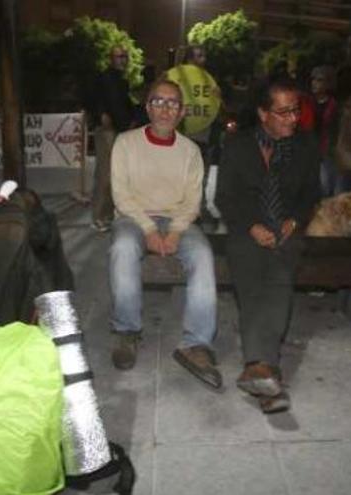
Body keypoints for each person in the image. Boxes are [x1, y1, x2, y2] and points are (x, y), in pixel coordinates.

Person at [107, 79, 221, 388]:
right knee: (123, 248)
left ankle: (196, 343)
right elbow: (121, 194)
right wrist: (146, 228)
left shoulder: (190, 152)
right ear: (147, 107)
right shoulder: (126, 143)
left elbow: (193, 201)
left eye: (172, 103)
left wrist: (174, 231)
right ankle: (127, 331)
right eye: (158, 101)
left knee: (202, 253)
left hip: (178, 220)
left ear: (182, 111)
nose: (165, 108)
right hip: (133, 217)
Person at [216, 79, 321, 413]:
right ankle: (268, 370)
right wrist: (251, 226)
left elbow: (310, 196)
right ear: (263, 113)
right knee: (251, 282)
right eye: (284, 111)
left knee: (278, 277)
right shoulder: (237, 145)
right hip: (246, 231)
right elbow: (225, 198)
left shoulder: (305, 146)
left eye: (296, 110)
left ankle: (260, 368)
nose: (293, 118)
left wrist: (293, 221)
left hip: (286, 231)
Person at [92, 46, 136, 232]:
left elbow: (124, 105)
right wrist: (101, 114)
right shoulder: (104, 77)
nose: (123, 60)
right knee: (105, 175)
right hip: (107, 131)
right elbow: (94, 98)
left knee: (117, 175)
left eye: (125, 56)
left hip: (120, 131)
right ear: (111, 58)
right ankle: (99, 217)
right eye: (119, 56)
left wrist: (131, 121)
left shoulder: (122, 80)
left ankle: (109, 215)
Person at [300, 66, 341, 197]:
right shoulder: (306, 102)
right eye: (314, 80)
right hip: (307, 149)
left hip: (326, 152)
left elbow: (335, 131)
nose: (315, 83)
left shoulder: (334, 106)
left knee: (325, 187)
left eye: (319, 80)